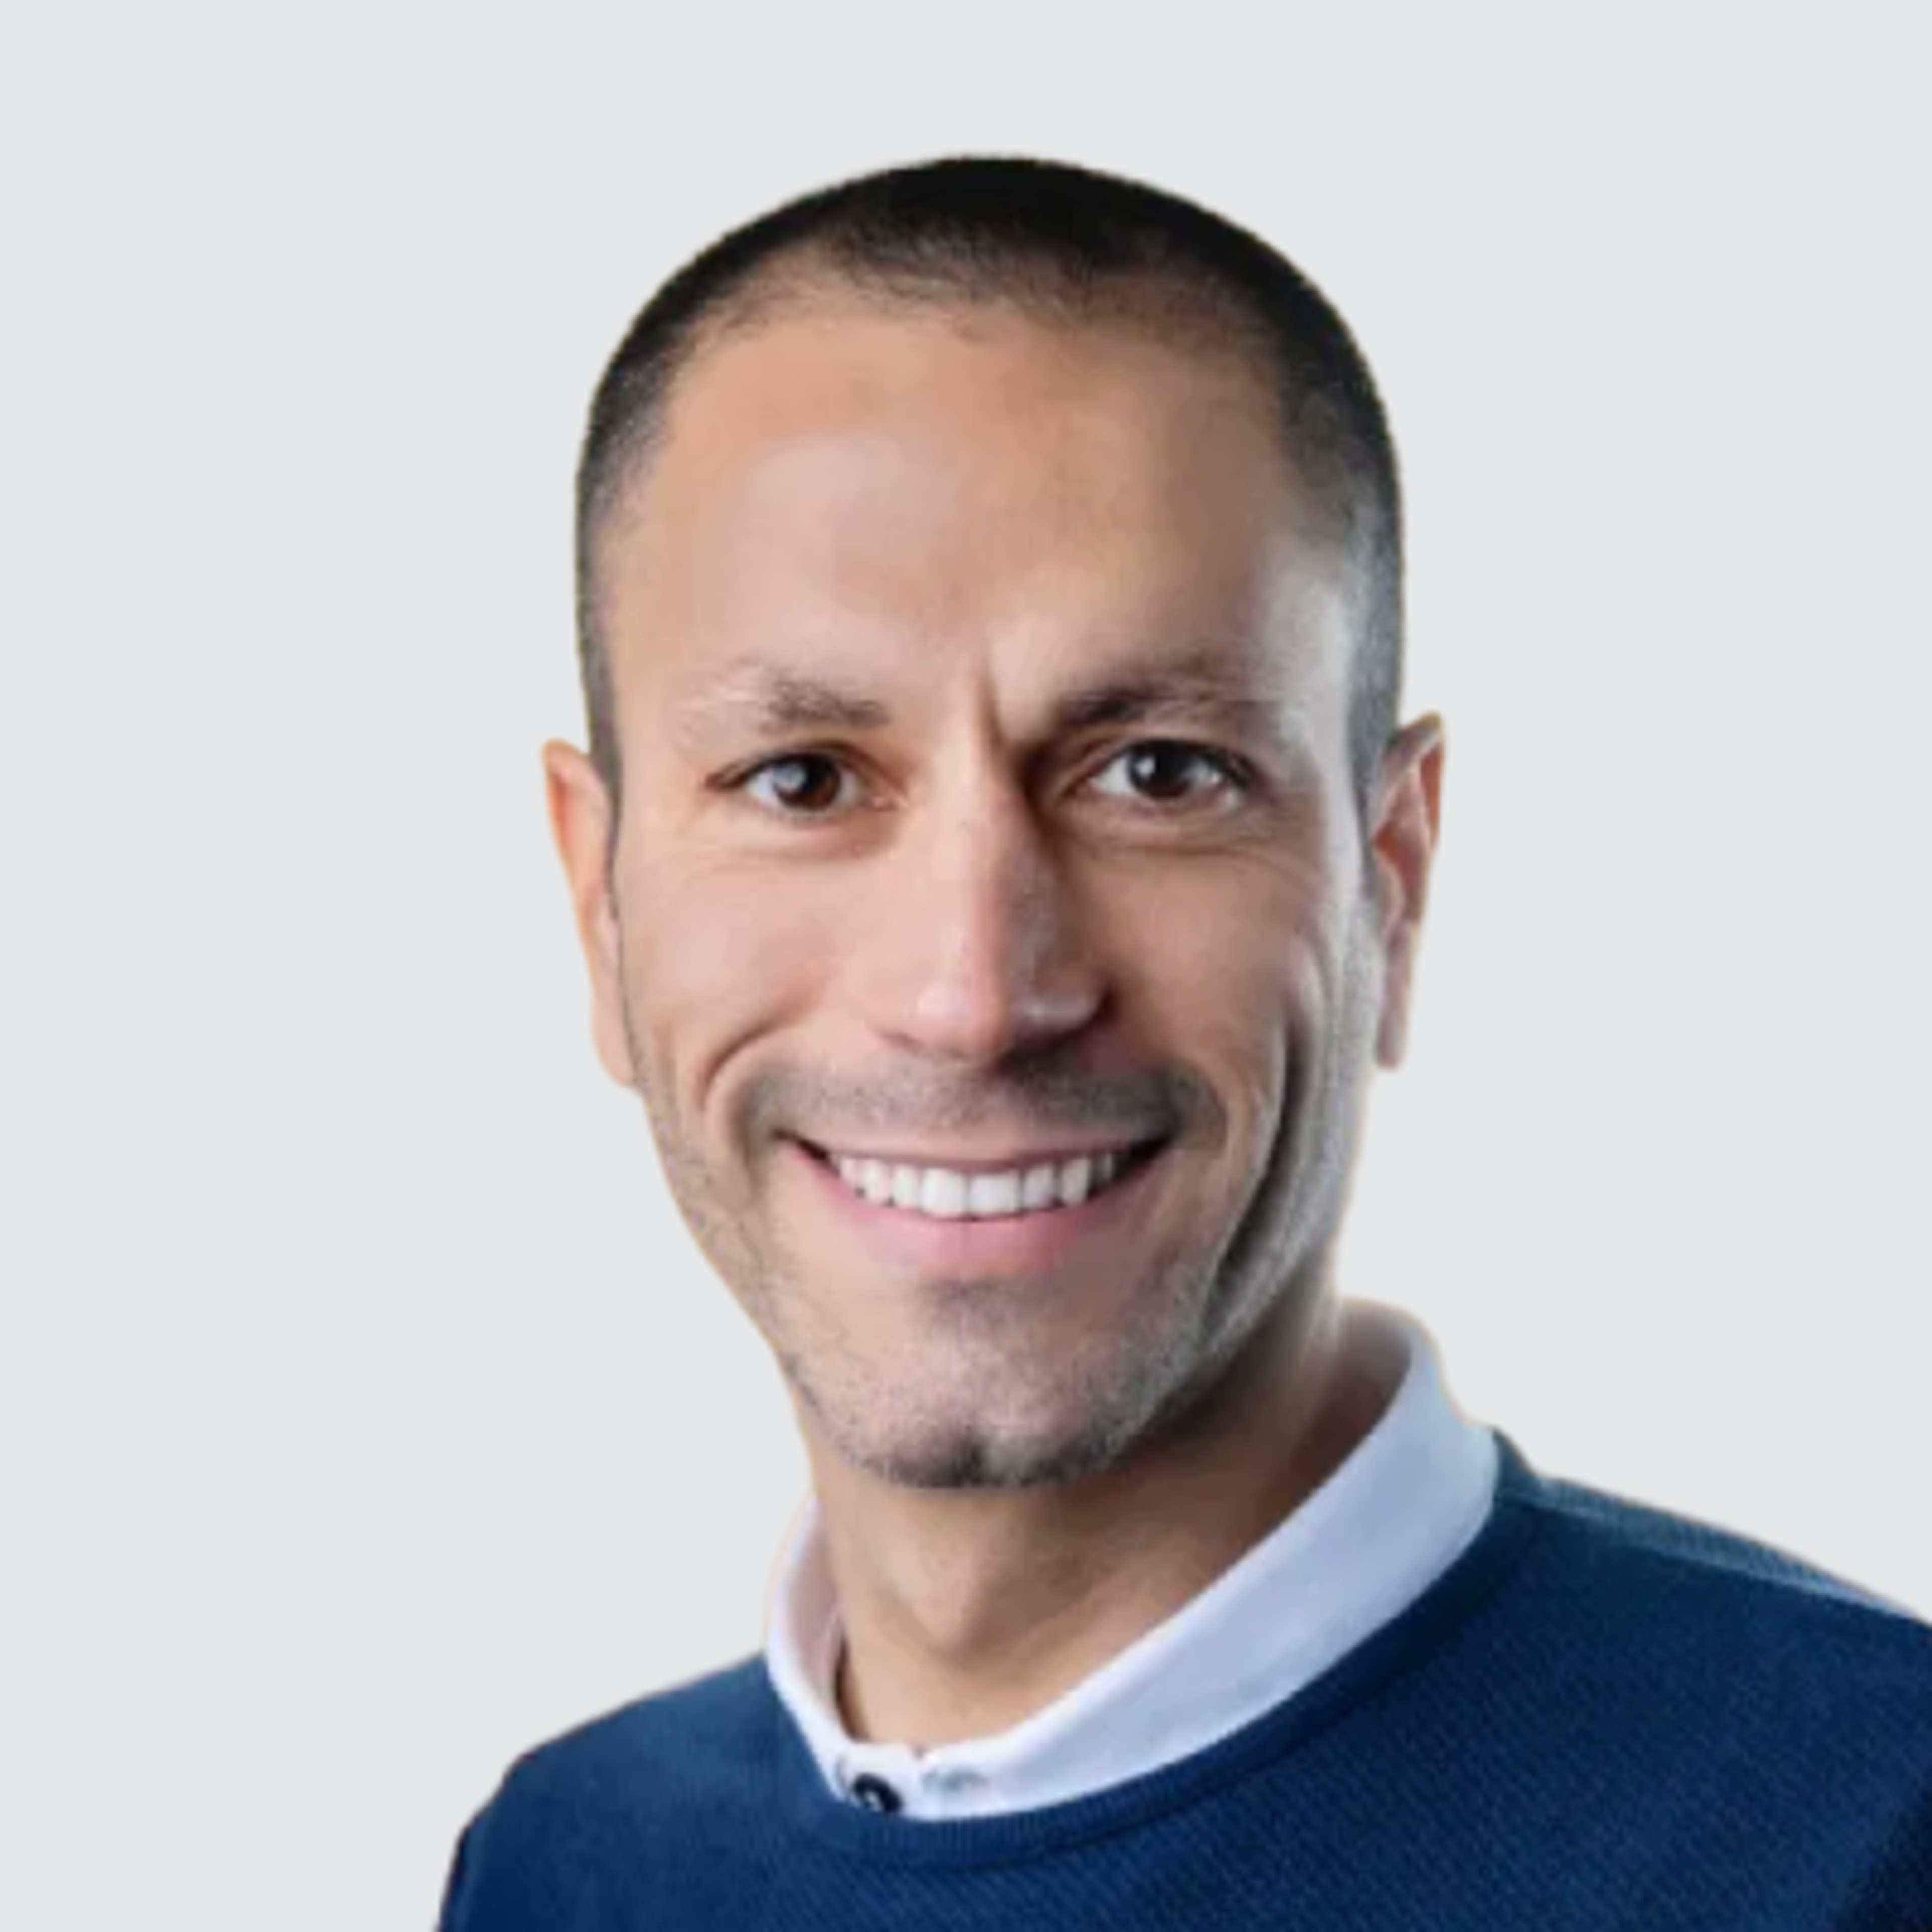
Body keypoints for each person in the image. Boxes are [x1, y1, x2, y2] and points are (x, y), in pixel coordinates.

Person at [437, 156, 1932, 1927]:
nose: (974, 995)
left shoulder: (1869, 1838)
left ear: (1393, 877)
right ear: (599, 902)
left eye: (1159, 772)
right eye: (805, 780)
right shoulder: (564, 1867)